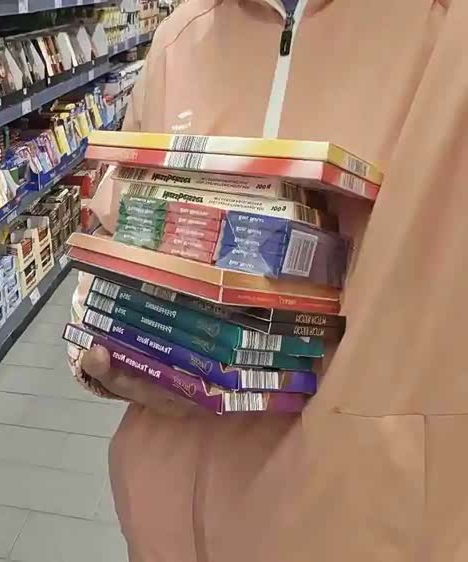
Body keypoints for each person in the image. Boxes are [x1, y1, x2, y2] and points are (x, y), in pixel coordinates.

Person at [68, 0, 468, 560]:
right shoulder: (181, 38)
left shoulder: (448, 34)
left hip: (361, 526)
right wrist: (103, 344)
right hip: (172, 521)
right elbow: (116, 229)